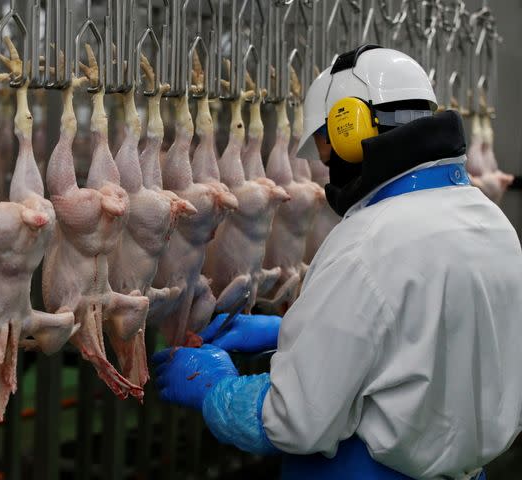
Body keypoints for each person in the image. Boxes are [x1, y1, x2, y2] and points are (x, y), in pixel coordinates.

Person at [153, 44, 522, 479]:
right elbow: (436, 337)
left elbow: (295, 421)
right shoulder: (490, 221)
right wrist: (295, 334)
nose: (326, 163)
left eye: (326, 146)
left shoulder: (367, 241)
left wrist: (215, 388)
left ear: (352, 130)